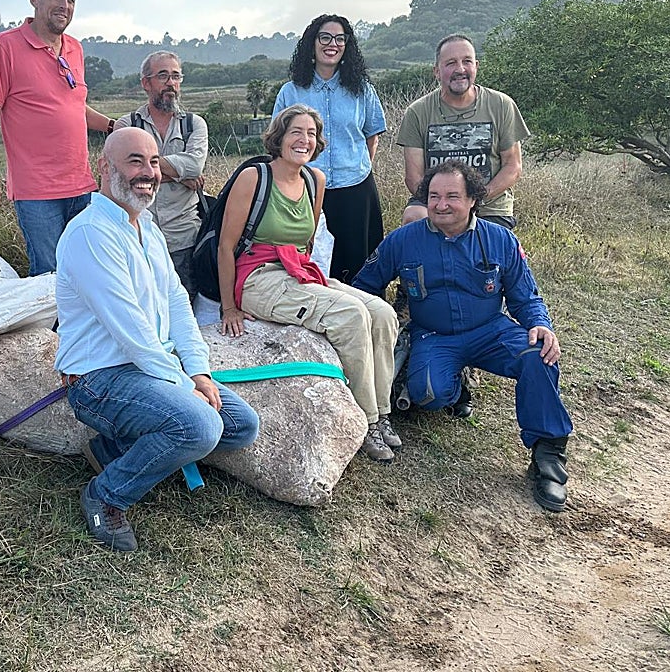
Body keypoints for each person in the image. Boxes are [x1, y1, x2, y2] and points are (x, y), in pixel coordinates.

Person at [55, 127, 259, 551]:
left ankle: (115, 448)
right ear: (103, 167)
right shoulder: (91, 233)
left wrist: (199, 373)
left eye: (153, 162)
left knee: (241, 425)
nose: (148, 172)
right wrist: (184, 386)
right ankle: (106, 495)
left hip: (145, 369)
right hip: (98, 379)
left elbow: (177, 301)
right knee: (201, 425)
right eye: (135, 161)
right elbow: (131, 331)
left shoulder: (146, 226)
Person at [352, 160, 573, 512]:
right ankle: (457, 388)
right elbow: (364, 286)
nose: (441, 205)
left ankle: (549, 457)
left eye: (452, 196)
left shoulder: (500, 239)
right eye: (434, 196)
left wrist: (540, 323)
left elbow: (525, 296)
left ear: (473, 200)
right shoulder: (403, 240)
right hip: (434, 335)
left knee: (538, 355)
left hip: (491, 331)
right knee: (427, 394)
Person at [217, 105, 401, 463]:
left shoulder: (315, 181)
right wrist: (229, 307)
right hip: (258, 277)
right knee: (350, 314)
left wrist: (314, 283)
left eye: (312, 134)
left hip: (298, 270)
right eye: (296, 132)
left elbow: (307, 244)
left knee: (382, 313)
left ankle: (383, 412)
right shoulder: (255, 177)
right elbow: (226, 246)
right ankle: (366, 420)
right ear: (279, 137)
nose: (304, 140)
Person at [0, 0, 114, 275]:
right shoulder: (5, 46)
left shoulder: (75, 48)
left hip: (81, 185)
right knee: (49, 275)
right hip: (37, 193)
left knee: (86, 270)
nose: (64, 5)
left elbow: (74, 106)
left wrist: (112, 127)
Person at [274, 15, 386, 283]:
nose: (332, 44)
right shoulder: (291, 92)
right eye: (325, 37)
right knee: (312, 263)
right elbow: (278, 142)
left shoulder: (362, 90)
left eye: (339, 39)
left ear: (347, 45)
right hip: (306, 190)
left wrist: (356, 167)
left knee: (361, 267)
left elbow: (371, 136)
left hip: (356, 187)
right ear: (312, 43)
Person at [398, 34, 529, 229]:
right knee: (414, 217)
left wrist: (475, 199)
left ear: (476, 66)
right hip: (438, 205)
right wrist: (444, 205)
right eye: (451, 63)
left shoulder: (502, 105)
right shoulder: (417, 112)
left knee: (486, 241)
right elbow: (414, 178)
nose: (460, 69)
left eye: (467, 61)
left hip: (488, 206)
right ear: (437, 71)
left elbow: (513, 167)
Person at [113, 51, 208, 300]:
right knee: (142, 305)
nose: (171, 83)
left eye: (176, 76)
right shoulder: (127, 125)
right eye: (163, 76)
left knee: (183, 307)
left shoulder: (194, 124)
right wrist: (180, 175)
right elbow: (123, 177)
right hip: (138, 237)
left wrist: (143, 168)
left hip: (183, 237)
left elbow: (194, 166)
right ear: (146, 83)